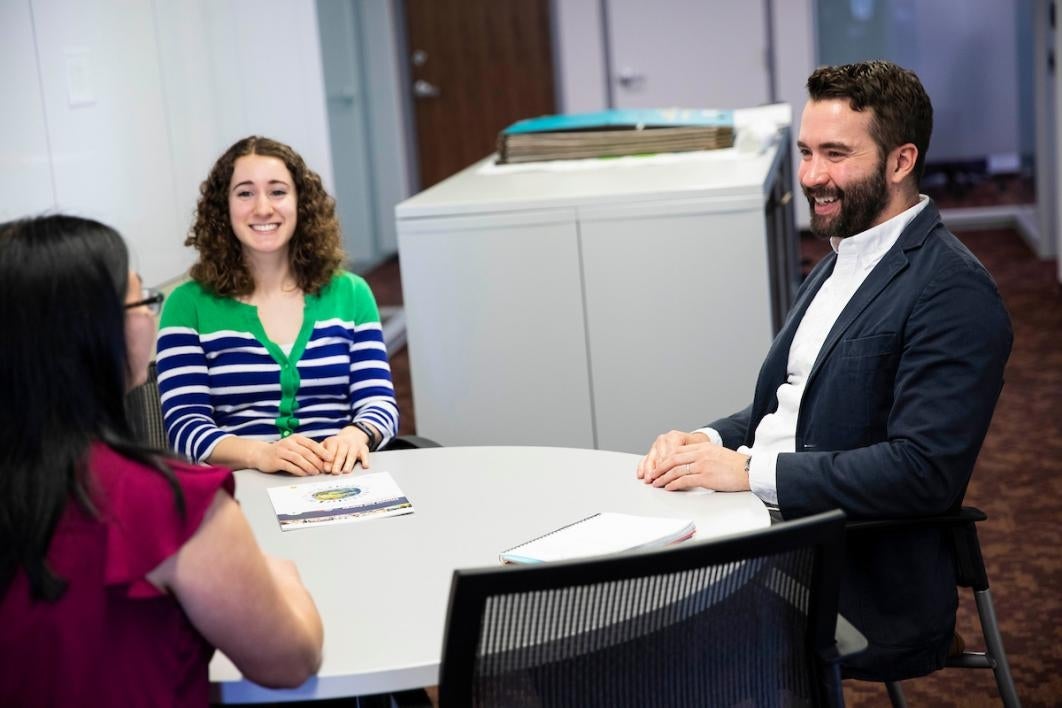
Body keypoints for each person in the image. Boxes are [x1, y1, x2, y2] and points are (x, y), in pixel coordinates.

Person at [637, 60, 1013, 681]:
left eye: (836, 154)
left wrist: (750, 472)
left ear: (900, 161)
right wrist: (706, 442)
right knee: (587, 619)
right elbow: (793, 406)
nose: (812, 176)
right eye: (807, 152)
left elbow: (923, 474)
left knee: (617, 649)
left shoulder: (953, 291)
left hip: (845, 572)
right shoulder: (843, 257)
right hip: (771, 532)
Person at [0, 215, 323, 706]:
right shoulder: (170, 502)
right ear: (93, 332)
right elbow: (291, 660)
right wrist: (284, 578)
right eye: (141, 300)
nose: (152, 315)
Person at [156, 136, 399, 476]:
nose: (263, 208)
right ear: (223, 207)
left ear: (301, 202)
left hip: (342, 481)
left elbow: (379, 404)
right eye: (245, 193)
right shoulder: (187, 305)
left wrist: (356, 434)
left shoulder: (351, 293)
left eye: (277, 191)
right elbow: (185, 427)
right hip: (240, 489)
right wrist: (260, 454)